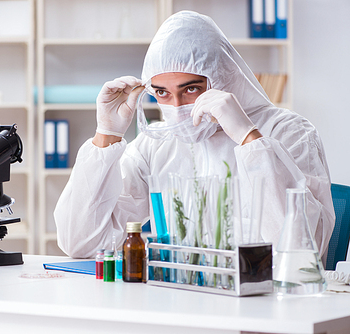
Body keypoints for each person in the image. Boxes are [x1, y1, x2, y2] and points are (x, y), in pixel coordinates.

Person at [54, 11, 335, 261]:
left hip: (266, 304)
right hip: (184, 297)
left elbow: (302, 252)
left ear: (223, 78)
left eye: (190, 89)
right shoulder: (156, 144)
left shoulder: (290, 132)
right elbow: (80, 243)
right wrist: (108, 133)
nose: (176, 108)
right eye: (162, 92)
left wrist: (250, 139)